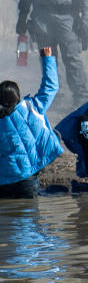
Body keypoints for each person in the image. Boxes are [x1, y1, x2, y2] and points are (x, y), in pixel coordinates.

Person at [0, 46, 62, 198]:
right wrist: (47, 59)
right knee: (29, 218)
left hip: (3, 181)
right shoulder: (32, 107)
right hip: (27, 177)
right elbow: (51, 86)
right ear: (18, 96)